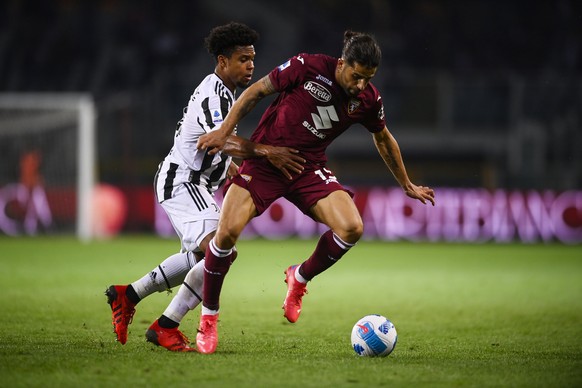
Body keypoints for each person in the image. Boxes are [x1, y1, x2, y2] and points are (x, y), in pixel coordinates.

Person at [194, 30, 436, 354]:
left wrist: (406, 183)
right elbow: (255, 92)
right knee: (225, 235)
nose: (361, 85)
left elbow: (383, 138)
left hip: (307, 167)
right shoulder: (307, 66)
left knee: (352, 228)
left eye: (368, 79)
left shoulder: (368, 100)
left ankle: (300, 277)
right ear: (342, 63)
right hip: (266, 160)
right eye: (356, 75)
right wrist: (224, 132)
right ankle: (208, 318)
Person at [105, 22, 304, 350]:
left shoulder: (226, 93)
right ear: (223, 62)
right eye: (243, 59)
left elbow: (209, 141)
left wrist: (229, 167)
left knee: (208, 255)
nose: (251, 65)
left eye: (252, 58)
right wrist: (269, 152)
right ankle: (165, 325)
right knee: (220, 252)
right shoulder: (215, 93)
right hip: (183, 182)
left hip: (194, 183)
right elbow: (219, 139)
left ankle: (129, 294)